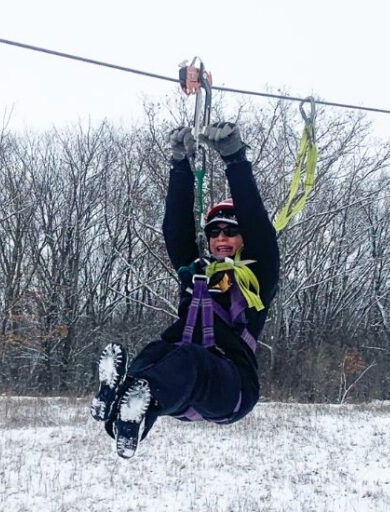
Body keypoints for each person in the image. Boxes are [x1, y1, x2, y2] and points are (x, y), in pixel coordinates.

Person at [90, 121, 280, 458]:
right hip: (181, 386)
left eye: (230, 232)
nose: (221, 239)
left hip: (231, 384)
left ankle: (140, 392)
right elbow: (175, 227)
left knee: (188, 358)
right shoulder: (197, 274)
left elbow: (259, 226)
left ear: (243, 239)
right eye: (215, 232)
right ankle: (120, 411)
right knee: (156, 351)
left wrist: (235, 160)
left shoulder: (257, 277)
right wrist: (179, 164)